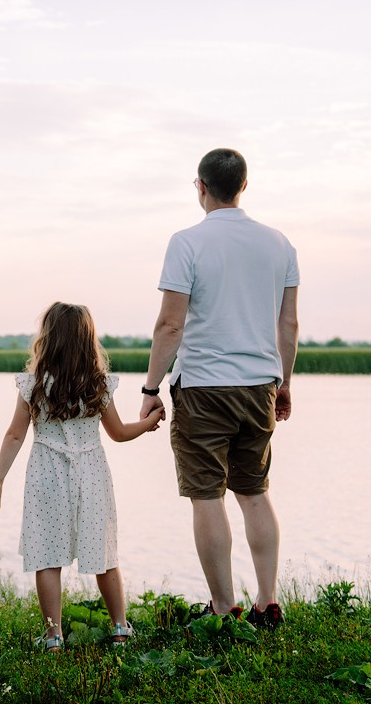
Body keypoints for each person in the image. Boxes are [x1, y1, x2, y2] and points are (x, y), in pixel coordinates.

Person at [140, 148, 299, 629]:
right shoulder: (279, 244)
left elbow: (171, 324)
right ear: (243, 187)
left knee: (207, 496)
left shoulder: (187, 242)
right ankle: (268, 603)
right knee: (253, 491)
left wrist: (151, 388)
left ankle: (223, 608)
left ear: (200, 186)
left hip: (204, 387)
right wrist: (284, 383)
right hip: (259, 386)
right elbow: (287, 323)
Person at [0, 302, 162, 651]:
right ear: (88, 341)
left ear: (47, 339)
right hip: (91, 473)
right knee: (103, 553)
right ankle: (120, 628)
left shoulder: (34, 384)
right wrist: (150, 422)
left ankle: (53, 637)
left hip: (46, 473)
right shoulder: (97, 384)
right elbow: (120, 433)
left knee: (48, 557)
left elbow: (14, 435)